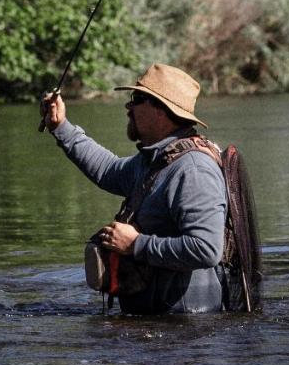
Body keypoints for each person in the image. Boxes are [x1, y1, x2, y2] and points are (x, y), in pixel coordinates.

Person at [40, 63, 227, 314]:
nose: (128, 107)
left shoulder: (193, 169)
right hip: (157, 328)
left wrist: (135, 244)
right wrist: (60, 127)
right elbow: (108, 170)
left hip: (188, 332)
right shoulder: (156, 160)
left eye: (137, 99)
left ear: (162, 111)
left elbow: (206, 249)